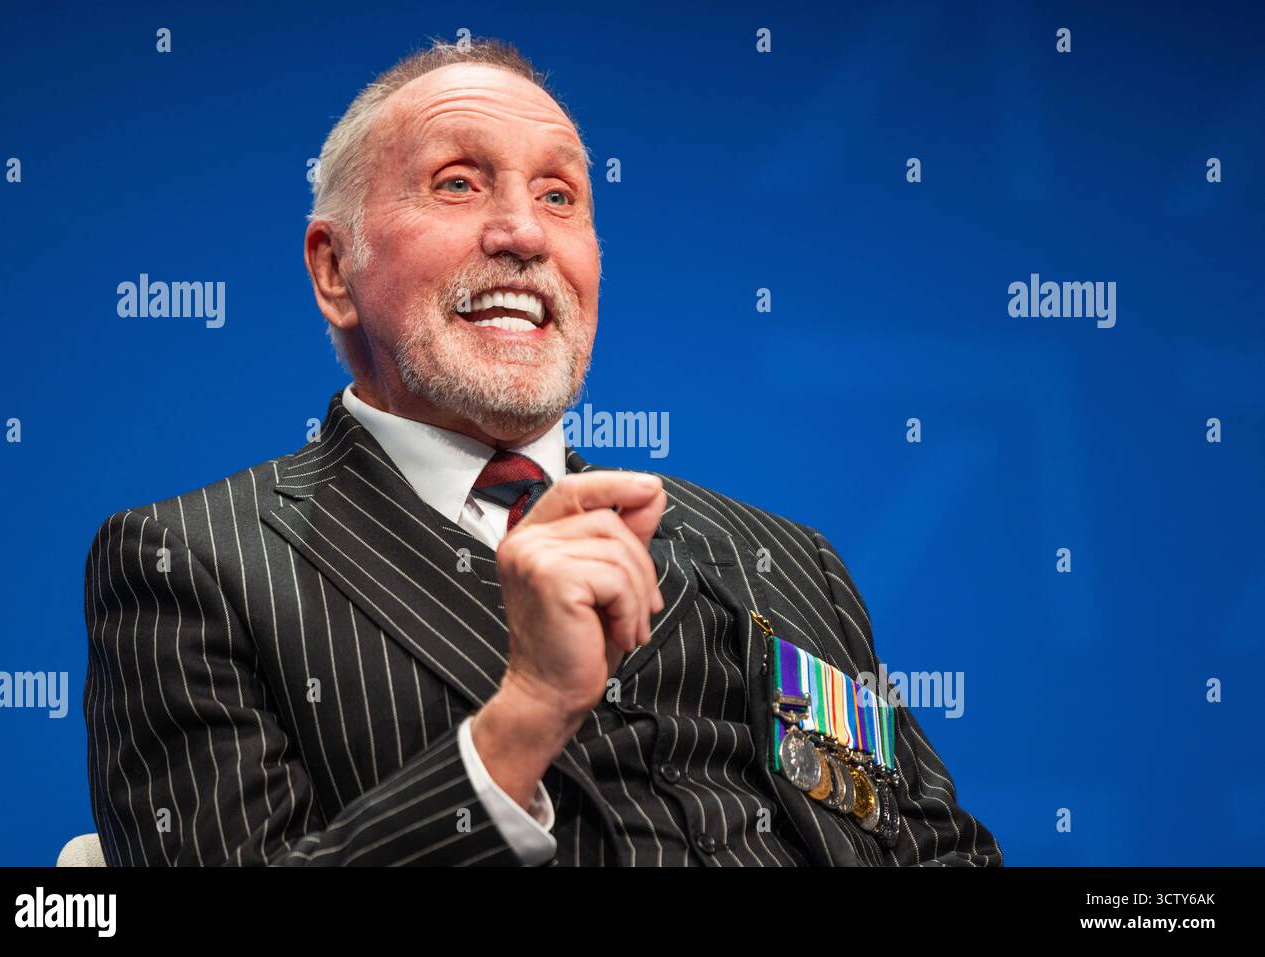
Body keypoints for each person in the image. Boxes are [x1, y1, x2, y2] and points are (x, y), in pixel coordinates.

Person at [83, 37, 1001, 867]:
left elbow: (936, 849)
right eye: (458, 184)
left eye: (560, 197)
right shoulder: (188, 563)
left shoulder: (788, 558)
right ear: (334, 270)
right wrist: (523, 717)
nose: (524, 234)